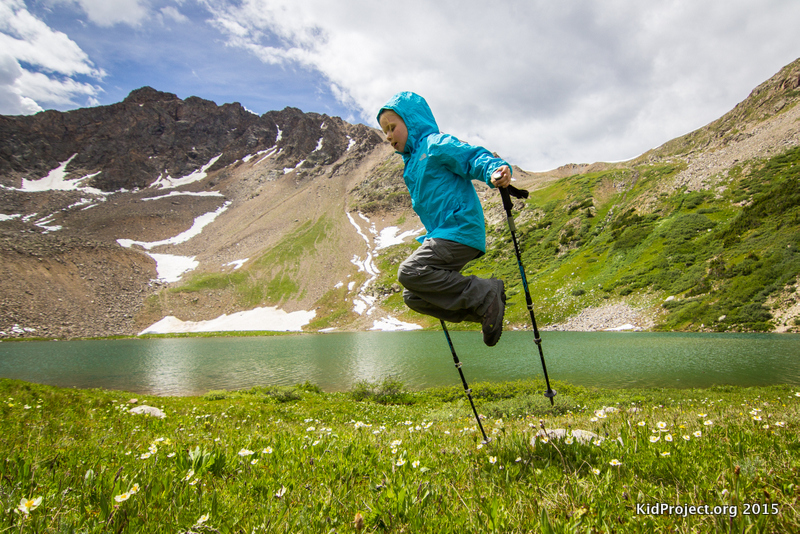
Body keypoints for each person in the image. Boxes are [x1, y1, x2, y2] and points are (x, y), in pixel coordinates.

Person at [377, 91, 512, 346]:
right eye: (385, 131)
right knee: (413, 296)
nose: (388, 136)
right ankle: (486, 310)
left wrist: (494, 169)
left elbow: (470, 157)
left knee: (409, 271)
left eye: (393, 127)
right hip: (444, 234)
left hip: (460, 228)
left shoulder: (435, 144)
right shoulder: (411, 165)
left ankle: (486, 294)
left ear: (412, 122)